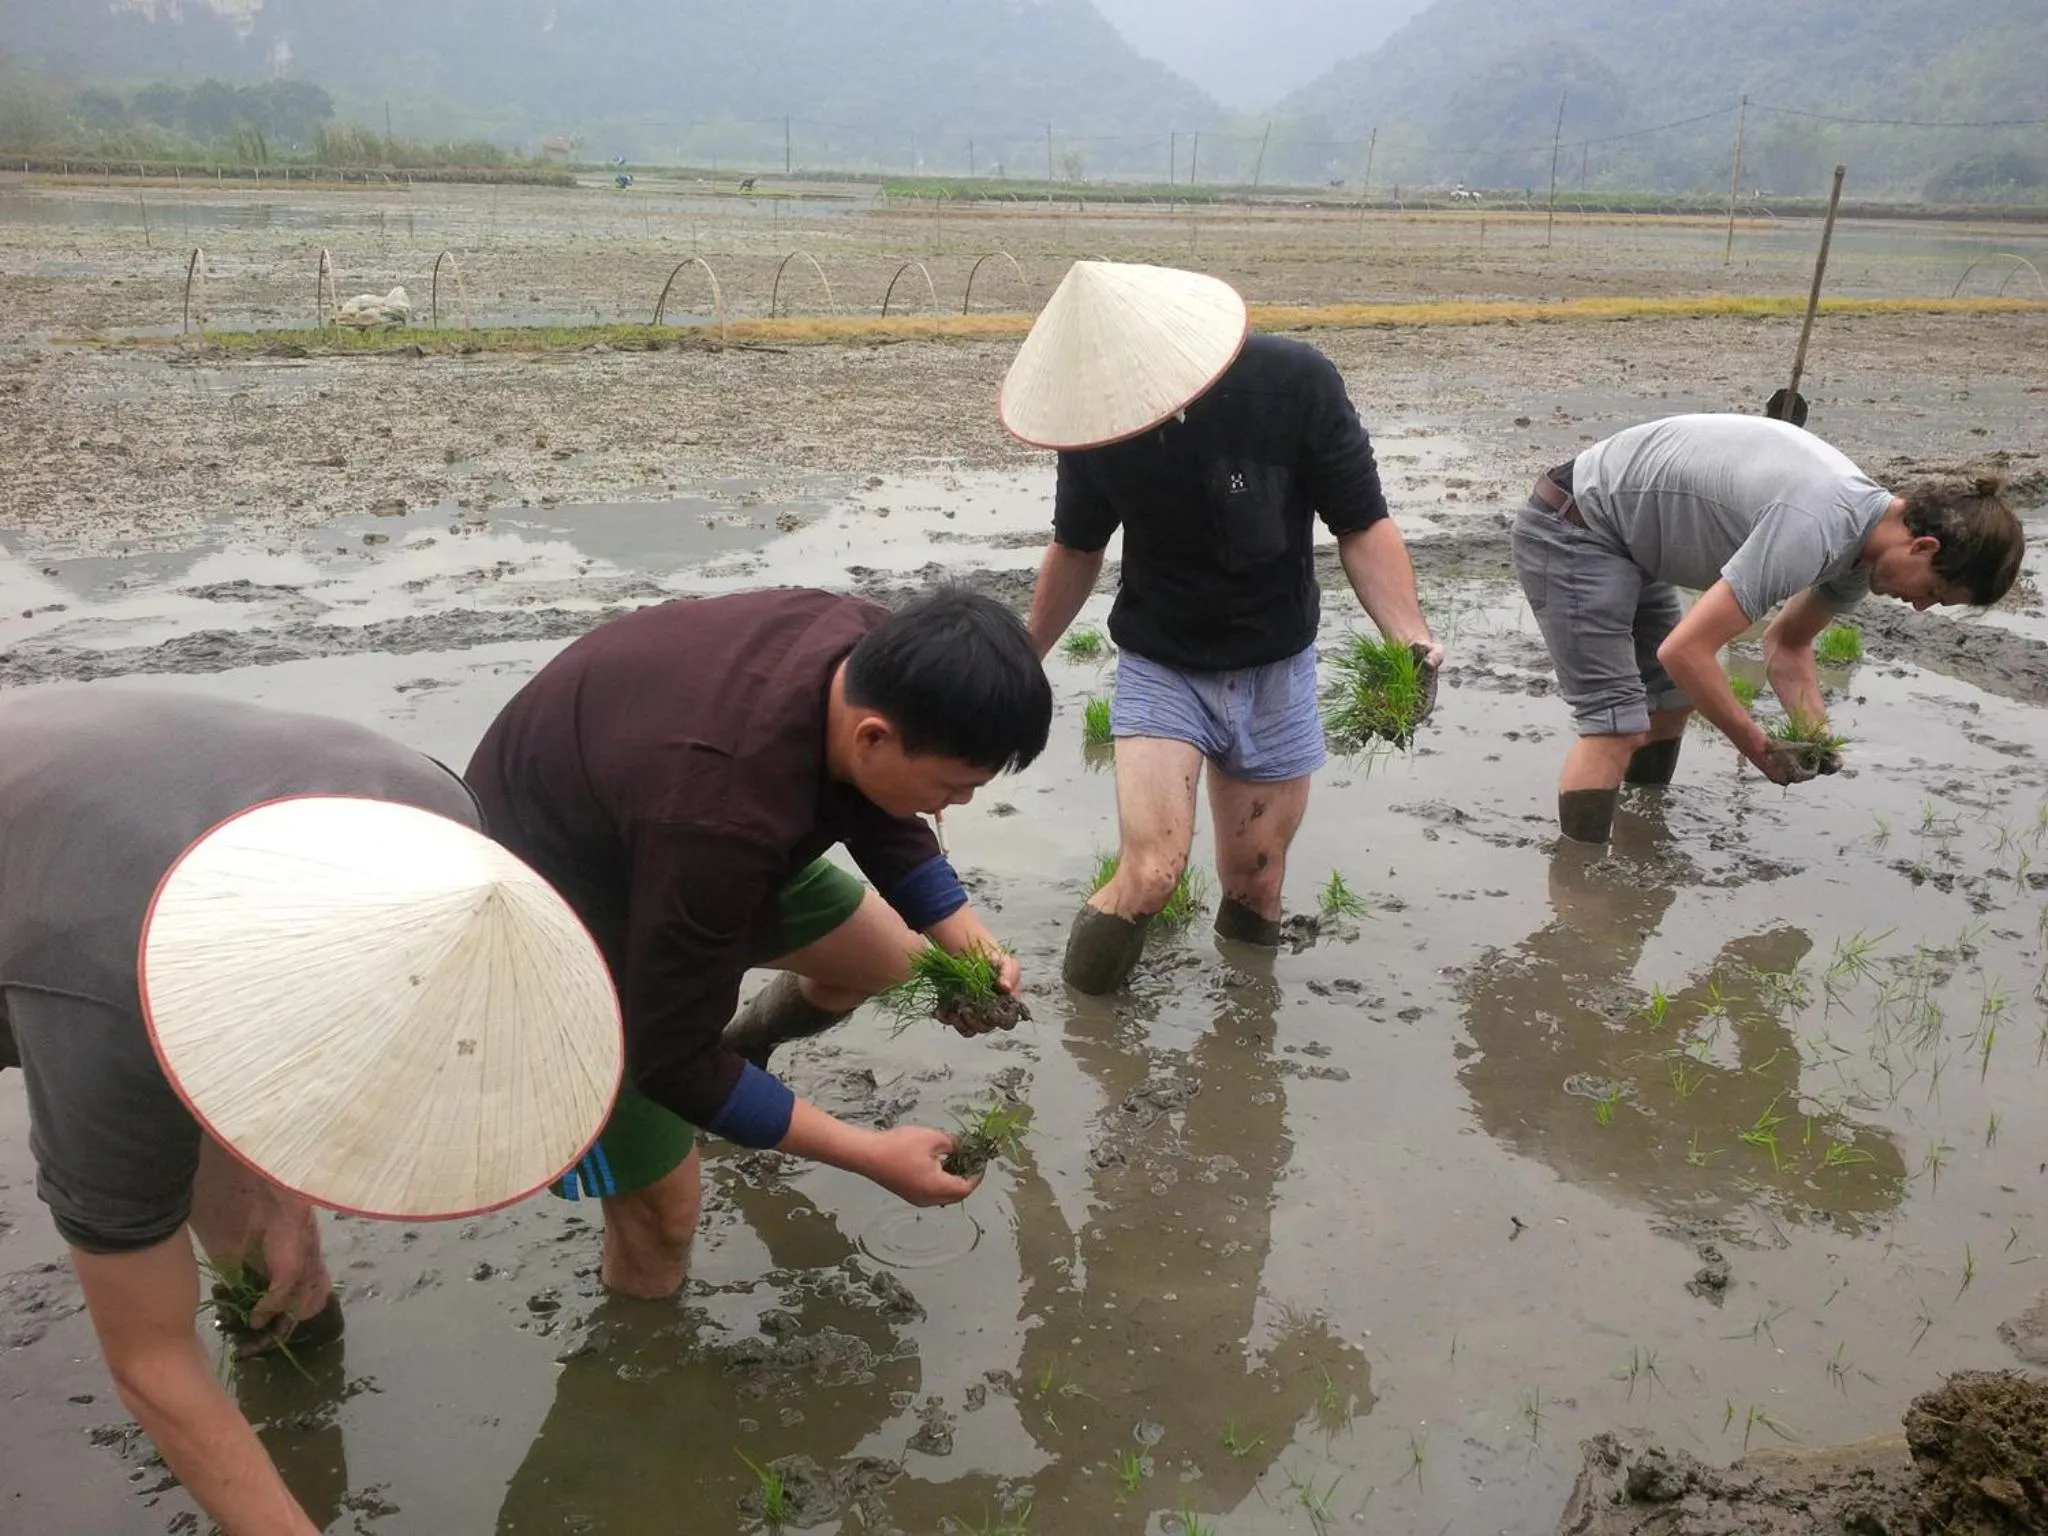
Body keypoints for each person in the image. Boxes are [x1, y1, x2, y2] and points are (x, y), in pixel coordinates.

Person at [0, 687, 621, 1536]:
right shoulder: (103, 1003)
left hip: (103, 829)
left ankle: (282, 1354)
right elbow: (150, 1359)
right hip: (57, 904)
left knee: (271, 1257)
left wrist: (284, 1189)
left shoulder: (443, 833)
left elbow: (285, 1045)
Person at [465, 585, 1053, 1300]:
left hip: (661, 833)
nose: (953, 806)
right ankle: (644, 1355)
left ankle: (740, 1062)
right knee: (665, 1217)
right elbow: (669, 1061)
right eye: (953, 788)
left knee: (889, 959)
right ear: (872, 736)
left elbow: (880, 801)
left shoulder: (864, 648)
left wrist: (965, 941)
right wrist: (869, 1154)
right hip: (557, 903)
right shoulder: (722, 818)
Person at [1002, 259, 1442, 993]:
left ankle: (1247, 1042)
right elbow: (1078, 546)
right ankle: (1087, 1032)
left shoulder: (1296, 382)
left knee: (1257, 881)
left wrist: (1409, 633)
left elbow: (1361, 523)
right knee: (1150, 874)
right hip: (1162, 660)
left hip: (1275, 662)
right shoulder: (1096, 423)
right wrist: (1022, 657)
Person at [1512, 413, 2024, 843]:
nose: (1920, 608)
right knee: (1615, 726)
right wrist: (1757, 747)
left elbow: (1790, 643)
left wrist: (1814, 735)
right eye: (1934, 593)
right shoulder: (1816, 524)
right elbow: (1685, 652)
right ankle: (1585, 895)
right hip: (1576, 525)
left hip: (1631, 542)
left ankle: (1640, 836)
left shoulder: (1864, 556)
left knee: (1669, 704)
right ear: (1924, 547)